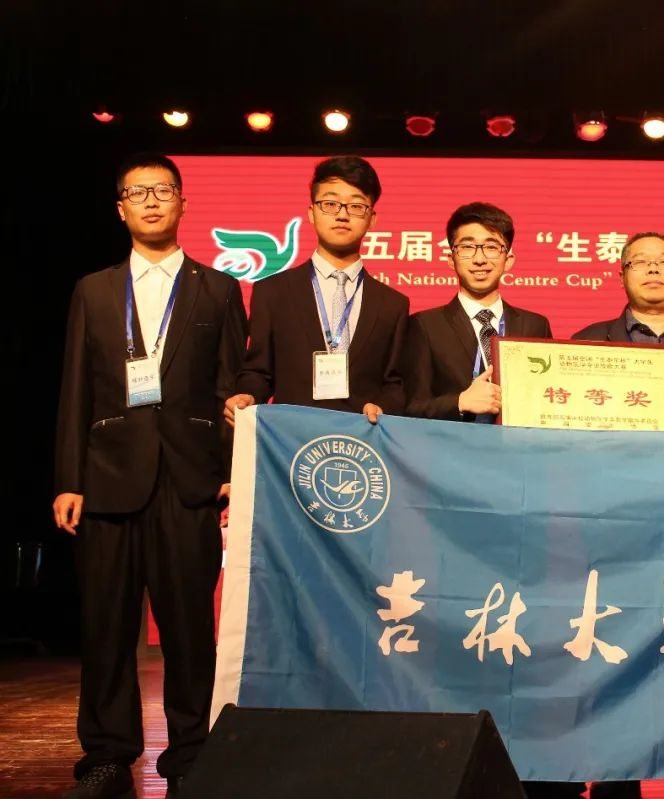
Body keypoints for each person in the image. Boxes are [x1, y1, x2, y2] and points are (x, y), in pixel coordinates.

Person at [53, 152, 247, 799]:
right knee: (105, 625)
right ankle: (108, 754)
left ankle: (191, 752)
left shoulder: (218, 288)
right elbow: (75, 389)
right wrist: (68, 478)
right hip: (107, 478)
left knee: (189, 628)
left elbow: (230, 387)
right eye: (138, 193)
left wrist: (229, 470)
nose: (152, 201)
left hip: (189, 480)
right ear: (121, 209)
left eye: (163, 190)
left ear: (183, 202)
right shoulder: (94, 289)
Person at [573, 232, 664, 799]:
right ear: (621, 274)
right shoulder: (589, 343)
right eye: (641, 262)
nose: (654, 270)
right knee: (616, 648)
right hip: (617, 521)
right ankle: (616, 777)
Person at [225, 155, 408, 426]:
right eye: (330, 204)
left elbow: (394, 383)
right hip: (291, 438)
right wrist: (248, 395)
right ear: (311, 213)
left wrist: (384, 407)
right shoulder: (272, 292)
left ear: (372, 219)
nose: (342, 215)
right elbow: (259, 371)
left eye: (356, 206)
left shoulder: (393, 304)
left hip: (362, 440)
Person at [403, 202, 552, 423]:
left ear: (508, 260)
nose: (479, 259)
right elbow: (411, 408)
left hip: (519, 443)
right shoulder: (425, 325)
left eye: (491, 247)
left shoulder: (535, 325)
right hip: (453, 443)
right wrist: (459, 402)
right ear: (451, 259)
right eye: (467, 247)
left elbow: (548, 398)